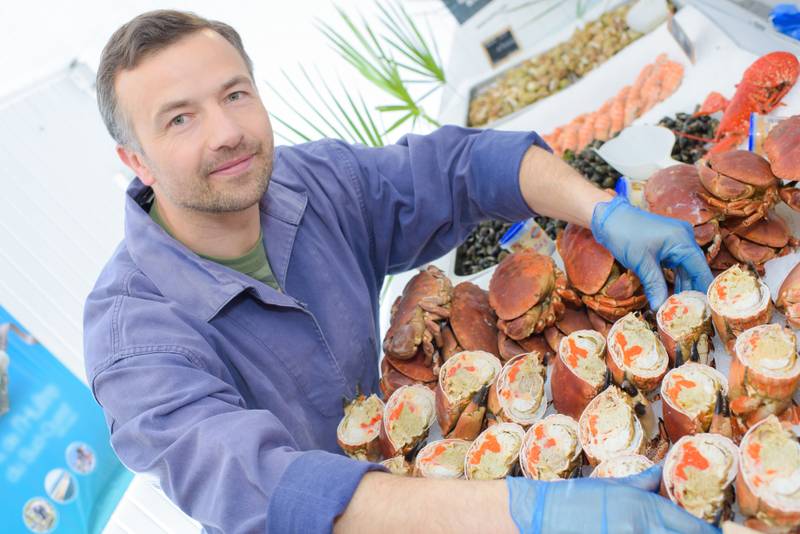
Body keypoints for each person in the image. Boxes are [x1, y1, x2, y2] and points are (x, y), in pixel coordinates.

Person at [83, 10, 717, 534]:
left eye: (235, 94)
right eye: (180, 118)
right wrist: (528, 511)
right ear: (136, 161)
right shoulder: (132, 340)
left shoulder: (313, 181)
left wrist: (601, 210)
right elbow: (265, 485)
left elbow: (461, 168)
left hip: (427, 477)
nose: (226, 132)